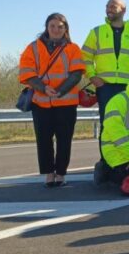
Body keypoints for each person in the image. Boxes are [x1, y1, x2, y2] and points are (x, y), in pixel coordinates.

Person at [18, 13, 85, 188]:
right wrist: (43, 87)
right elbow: (26, 72)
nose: (56, 29)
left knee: (64, 139)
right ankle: (49, 173)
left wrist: (61, 90)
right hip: (41, 102)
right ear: (46, 28)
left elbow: (77, 73)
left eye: (60, 26)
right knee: (43, 139)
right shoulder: (33, 48)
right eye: (52, 26)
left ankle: (61, 173)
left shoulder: (73, 48)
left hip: (66, 102)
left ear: (66, 29)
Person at [82, 0, 129, 136]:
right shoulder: (96, 32)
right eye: (107, 6)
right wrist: (92, 77)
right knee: (107, 124)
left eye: (113, 6)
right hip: (105, 87)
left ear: (123, 10)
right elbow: (84, 57)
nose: (109, 9)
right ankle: (105, 158)